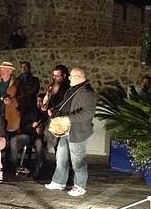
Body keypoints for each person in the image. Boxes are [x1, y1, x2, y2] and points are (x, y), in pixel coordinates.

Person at [45, 67, 96, 197]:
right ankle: (58, 182)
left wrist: (68, 118)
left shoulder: (87, 92)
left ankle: (80, 186)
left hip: (77, 131)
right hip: (66, 130)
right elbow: (64, 104)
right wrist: (55, 110)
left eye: (71, 76)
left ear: (78, 77)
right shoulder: (72, 89)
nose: (69, 78)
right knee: (61, 158)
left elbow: (88, 112)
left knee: (78, 160)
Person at [10, 93, 47, 178]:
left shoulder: (47, 112)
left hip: (39, 137)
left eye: (41, 101)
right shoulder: (31, 111)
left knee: (39, 143)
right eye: (38, 101)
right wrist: (32, 126)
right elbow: (23, 125)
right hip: (28, 135)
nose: (39, 103)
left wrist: (41, 130)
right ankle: (15, 165)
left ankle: (38, 168)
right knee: (14, 140)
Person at [0, 61, 21, 139]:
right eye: (0, 70)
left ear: (10, 71)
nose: (0, 72)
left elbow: (22, 97)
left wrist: (11, 100)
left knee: (10, 135)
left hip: (10, 114)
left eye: (3, 70)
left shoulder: (17, 83)